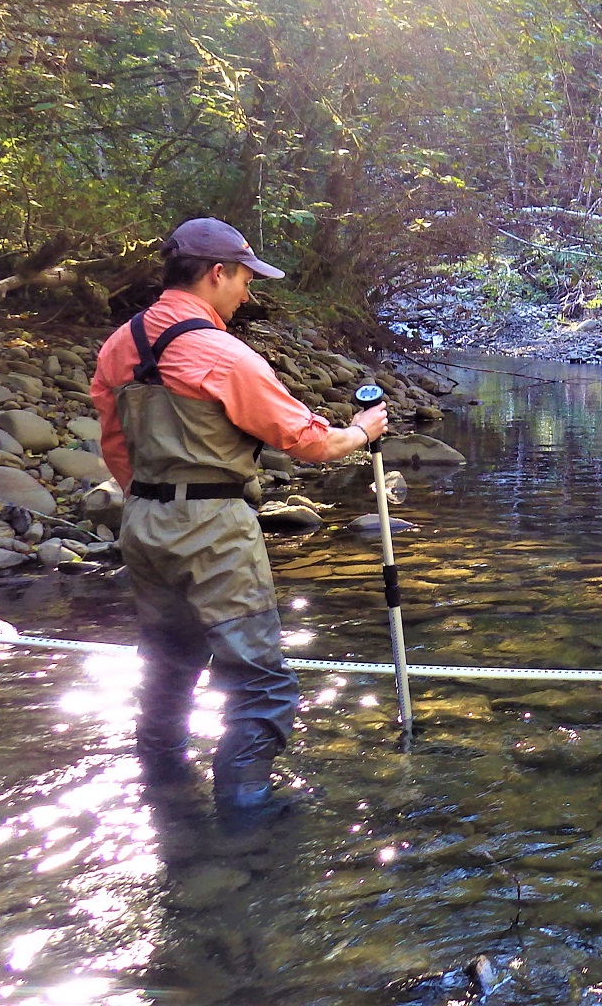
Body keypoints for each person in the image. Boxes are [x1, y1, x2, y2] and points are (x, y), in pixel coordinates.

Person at [90, 217, 387, 817]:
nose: (248, 293)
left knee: (169, 662)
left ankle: (164, 791)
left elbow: (115, 444)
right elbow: (306, 442)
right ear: (216, 272)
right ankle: (246, 818)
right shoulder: (221, 353)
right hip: (213, 530)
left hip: (142, 522)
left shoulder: (120, 344)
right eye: (246, 278)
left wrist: (151, 501)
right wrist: (360, 430)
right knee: (260, 680)